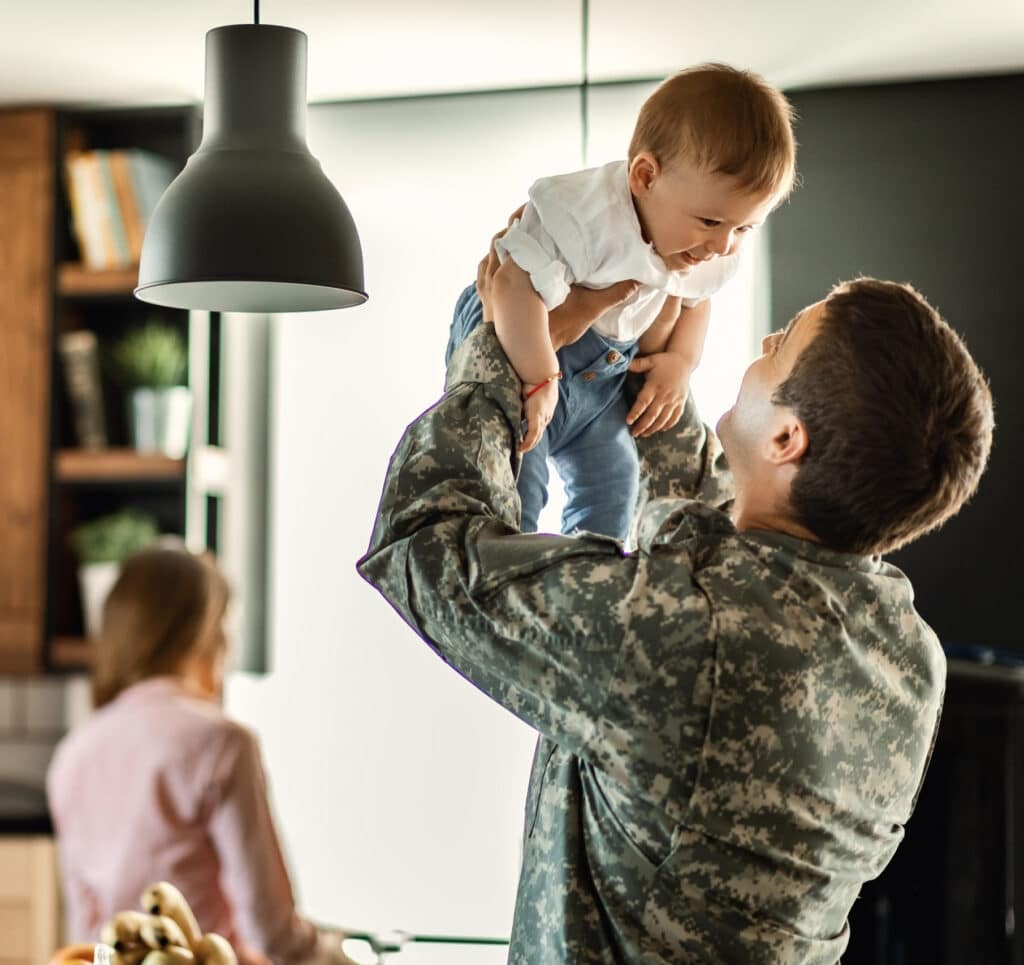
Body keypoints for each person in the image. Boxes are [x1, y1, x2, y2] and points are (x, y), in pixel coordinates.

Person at [359, 259, 994, 962]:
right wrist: (630, 343)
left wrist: (499, 355)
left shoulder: (691, 637)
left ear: (787, 439)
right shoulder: (905, 653)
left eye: (778, 343)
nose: (759, 348)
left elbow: (425, 542)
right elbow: (716, 525)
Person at [445, 63, 795, 542]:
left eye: (743, 228)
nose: (722, 246)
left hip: (602, 383)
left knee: (615, 484)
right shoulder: (584, 216)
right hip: (524, 340)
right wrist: (539, 377)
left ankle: (591, 573)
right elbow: (508, 288)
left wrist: (680, 362)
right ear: (646, 176)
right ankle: (513, 568)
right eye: (711, 222)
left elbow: (697, 299)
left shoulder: (703, 243)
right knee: (520, 477)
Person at [47, 544, 355, 965]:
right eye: (224, 625)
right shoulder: (222, 743)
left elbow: (89, 931)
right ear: (203, 634)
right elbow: (271, 934)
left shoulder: (72, 755)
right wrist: (336, 956)